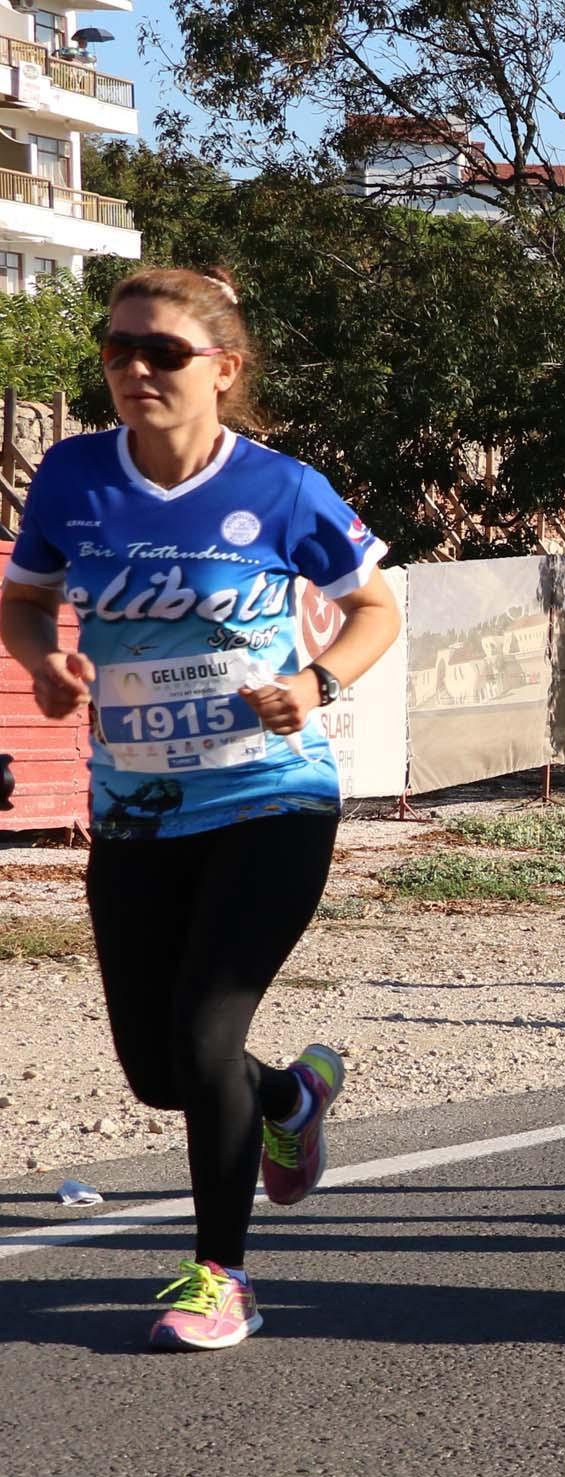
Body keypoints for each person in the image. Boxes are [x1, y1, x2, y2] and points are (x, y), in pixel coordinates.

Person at [1, 265, 401, 1349]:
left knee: (204, 1028)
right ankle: (288, 1101)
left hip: (270, 793)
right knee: (156, 1070)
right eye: (117, 349)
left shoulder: (281, 488)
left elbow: (375, 606)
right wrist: (43, 666)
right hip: (137, 809)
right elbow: (25, 599)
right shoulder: (74, 476)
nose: (135, 368)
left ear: (224, 369)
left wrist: (317, 683)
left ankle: (222, 1275)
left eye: (163, 351)